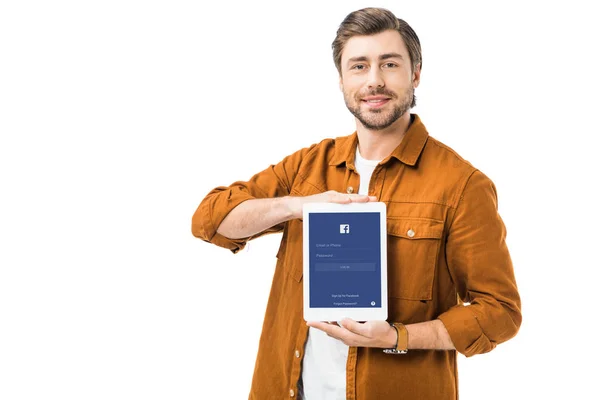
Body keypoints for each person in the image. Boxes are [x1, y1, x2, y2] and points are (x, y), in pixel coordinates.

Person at [191, 7, 521, 400]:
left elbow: (500, 311)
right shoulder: (308, 167)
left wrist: (398, 336)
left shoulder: (462, 186)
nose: (374, 81)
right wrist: (298, 207)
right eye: (359, 66)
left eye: (390, 64)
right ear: (342, 79)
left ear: (415, 74)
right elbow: (210, 219)